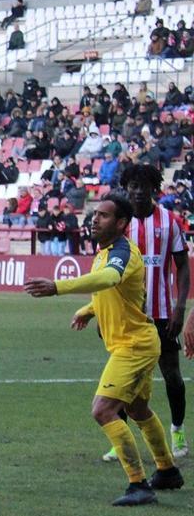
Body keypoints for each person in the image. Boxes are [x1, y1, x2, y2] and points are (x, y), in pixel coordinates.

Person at [26, 193, 184, 506]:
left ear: (122, 223)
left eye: (105, 215)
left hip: (134, 346)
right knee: (138, 410)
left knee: (103, 410)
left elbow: (111, 277)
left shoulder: (123, 251)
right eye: (95, 213)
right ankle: (166, 471)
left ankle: (138, 484)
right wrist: (89, 309)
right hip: (137, 342)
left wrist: (58, 287)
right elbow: (115, 291)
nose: (95, 219)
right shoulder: (107, 251)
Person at [108, 165, 189, 460]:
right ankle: (122, 439)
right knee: (124, 378)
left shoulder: (170, 222)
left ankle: (178, 430)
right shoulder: (120, 224)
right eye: (133, 185)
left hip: (164, 314)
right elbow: (105, 271)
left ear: (155, 189)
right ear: (126, 188)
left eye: (144, 186)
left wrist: (180, 306)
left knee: (172, 376)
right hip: (127, 315)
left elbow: (182, 266)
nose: (139, 191)